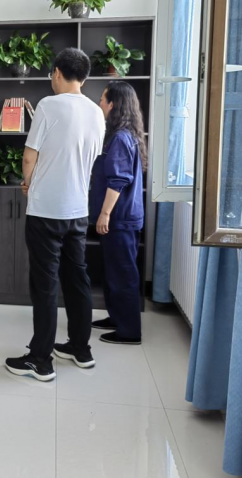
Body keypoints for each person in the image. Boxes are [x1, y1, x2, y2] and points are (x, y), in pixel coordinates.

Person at [5, 48, 105, 382]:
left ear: (58, 73)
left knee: (45, 285)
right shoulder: (96, 113)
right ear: (84, 77)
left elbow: (29, 156)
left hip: (46, 210)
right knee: (78, 280)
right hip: (78, 211)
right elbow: (90, 159)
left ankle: (40, 359)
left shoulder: (48, 105)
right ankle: (80, 348)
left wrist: (28, 182)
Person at [90, 82, 146, 345]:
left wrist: (105, 214)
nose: (100, 103)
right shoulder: (122, 135)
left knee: (123, 274)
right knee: (114, 272)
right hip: (121, 218)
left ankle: (129, 331)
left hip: (119, 218)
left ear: (113, 104)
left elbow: (118, 180)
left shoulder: (121, 138)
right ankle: (117, 318)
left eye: (103, 99)